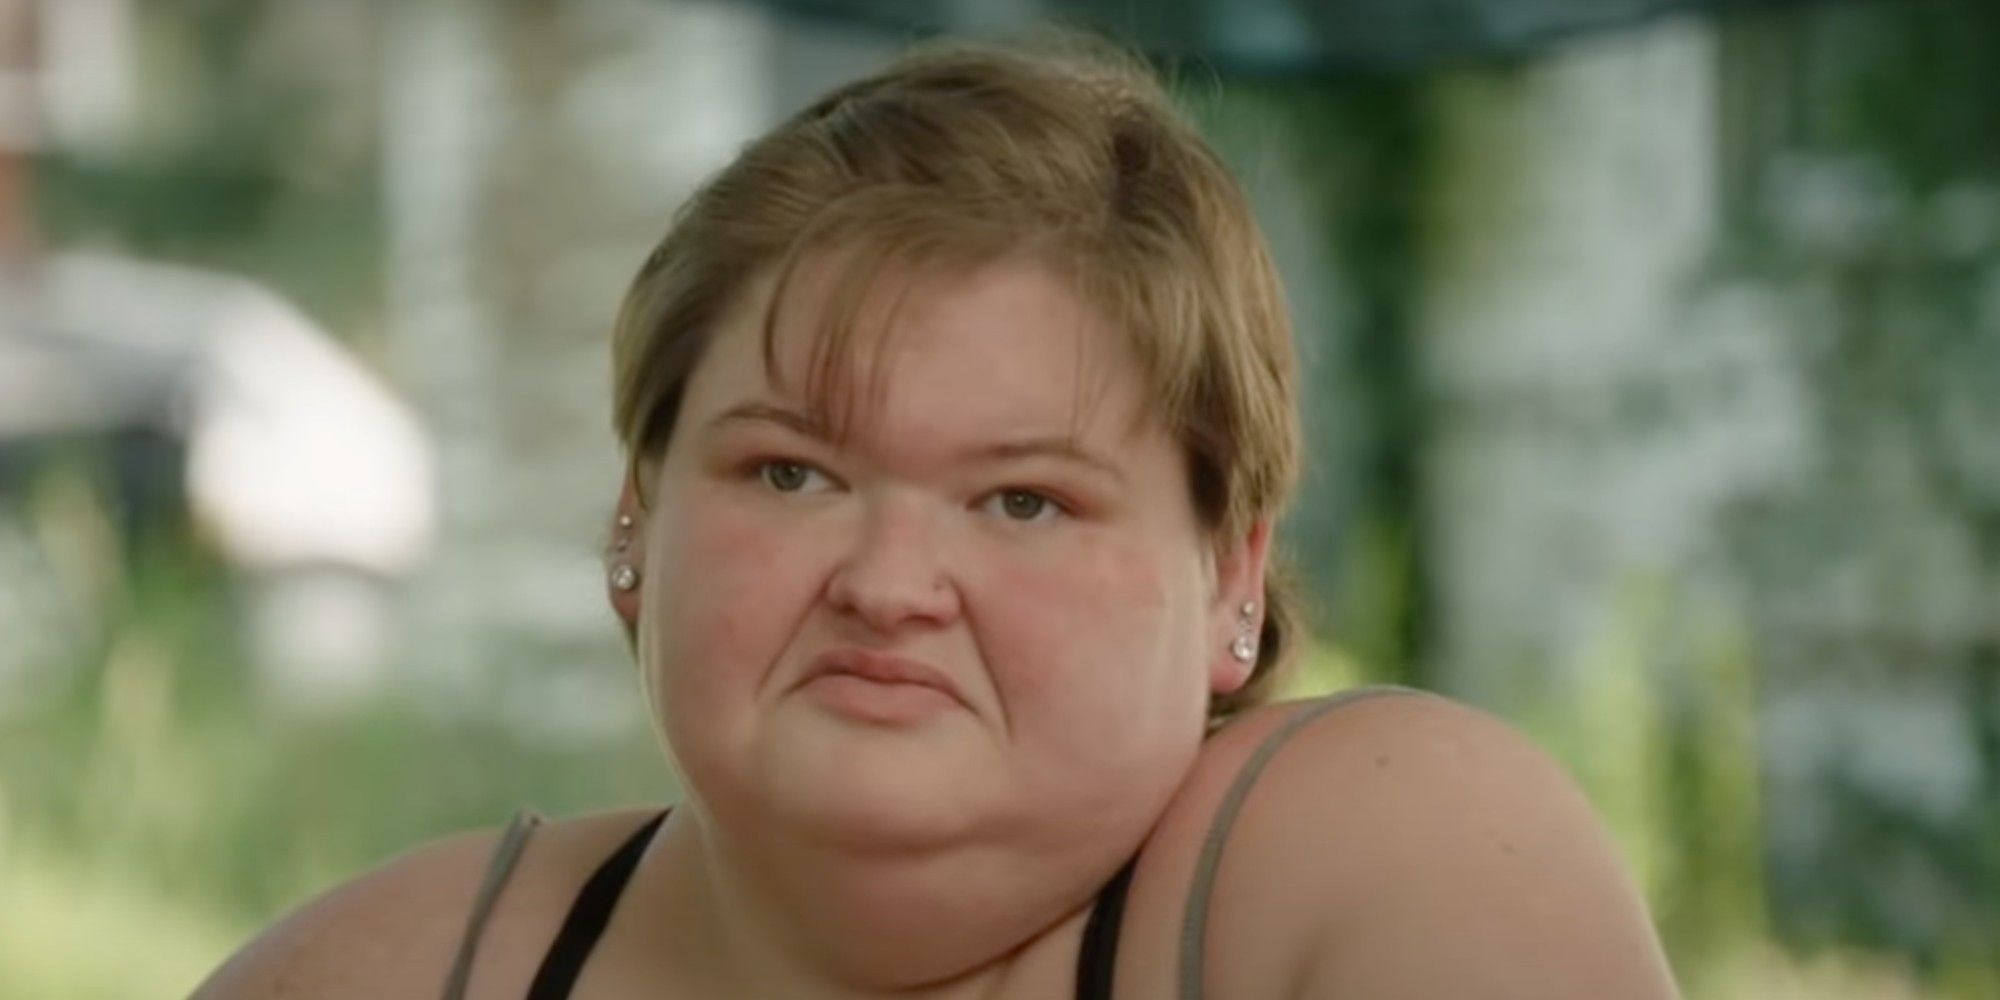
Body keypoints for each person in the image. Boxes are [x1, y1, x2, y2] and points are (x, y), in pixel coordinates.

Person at [194, 34, 1679, 1000]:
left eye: (1024, 500)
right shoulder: (381, 973)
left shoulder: (1384, 852)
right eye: (793, 473)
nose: (890, 583)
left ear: (1234, 579)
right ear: (638, 515)